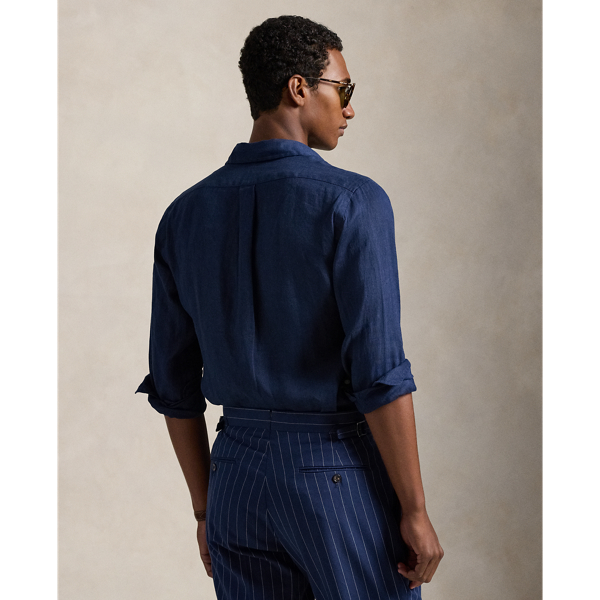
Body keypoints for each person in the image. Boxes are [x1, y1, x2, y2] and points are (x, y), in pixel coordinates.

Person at [137, 14, 443, 600]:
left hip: (235, 479)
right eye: (343, 89)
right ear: (299, 88)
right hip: (333, 471)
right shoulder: (353, 202)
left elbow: (173, 385)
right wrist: (414, 509)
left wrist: (206, 510)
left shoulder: (184, 214)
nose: (349, 108)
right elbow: (380, 372)